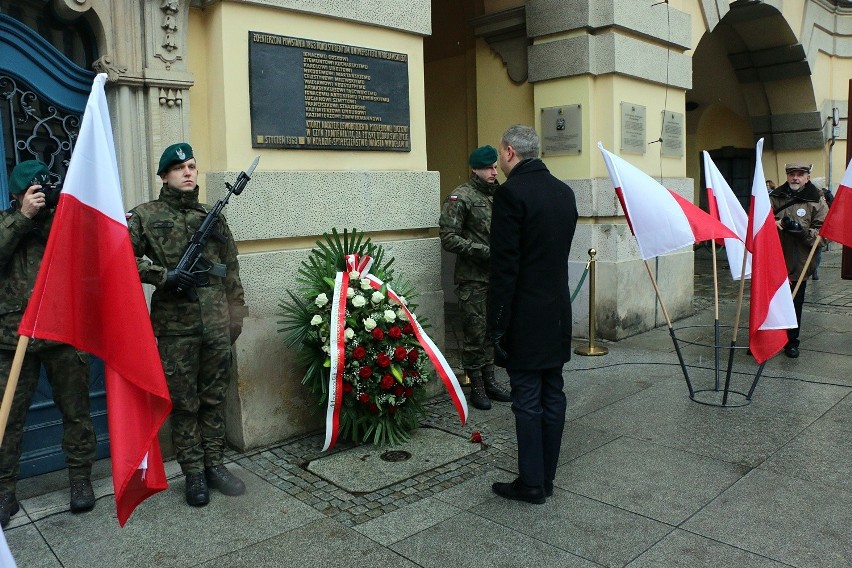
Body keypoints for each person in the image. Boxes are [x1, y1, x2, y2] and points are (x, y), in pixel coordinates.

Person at [128, 143, 248, 507]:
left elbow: (231, 267)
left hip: (216, 324)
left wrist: (237, 314)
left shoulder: (212, 215)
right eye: (179, 167)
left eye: (192, 166)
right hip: (175, 329)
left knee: (214, 399)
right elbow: (122, 259)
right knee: (184, 404)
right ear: (164, 175)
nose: (188, 172)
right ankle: (193, 473)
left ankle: (215, 465)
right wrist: (165, 275)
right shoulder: (144, 216)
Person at [0, 160, 96, 527]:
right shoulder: (6, 221)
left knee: (76, 411)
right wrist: (22, 217)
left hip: (61, 332)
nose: (39, 197)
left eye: (43, 189)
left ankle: (80, 479)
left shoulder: (63, 222)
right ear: (16, 195)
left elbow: (91, 255)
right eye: (31, 192)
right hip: (12, 338)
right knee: (8, 419)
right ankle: (5, 491)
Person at [487, 125, 578, 504]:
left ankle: (531, 482)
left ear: (509, 152)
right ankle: (546, 477)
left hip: (525, 313)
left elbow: (505, 267)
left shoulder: (511, 195)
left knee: (526, 396)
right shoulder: (564, 191)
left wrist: (498, 323)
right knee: (552, 391)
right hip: (556, 310)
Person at [439, 145, 511, 410]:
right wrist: (483, 251)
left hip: (497, 277)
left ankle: (490, 379)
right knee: (474, 333)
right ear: (475, 169)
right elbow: (448, 237)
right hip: (473, 278)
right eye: (488, 168)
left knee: (492, 332)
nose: (494, 172)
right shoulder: (461, 197)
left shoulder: (500, 195)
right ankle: (476, 383)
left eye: (495, 167)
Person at [769, 162, 828, 358]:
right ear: (786, 176)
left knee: (795, 303)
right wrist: (773, 223)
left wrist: (802, 232)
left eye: (800, 174)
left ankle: (791, 342)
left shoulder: (816, 201)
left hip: (799, 262)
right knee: (771, 302)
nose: (795, 177)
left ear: (807, 177)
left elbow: (824, 233)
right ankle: (769, 340)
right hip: (775, 259)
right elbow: (760, 221)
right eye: (792, 174)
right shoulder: (775, 196)